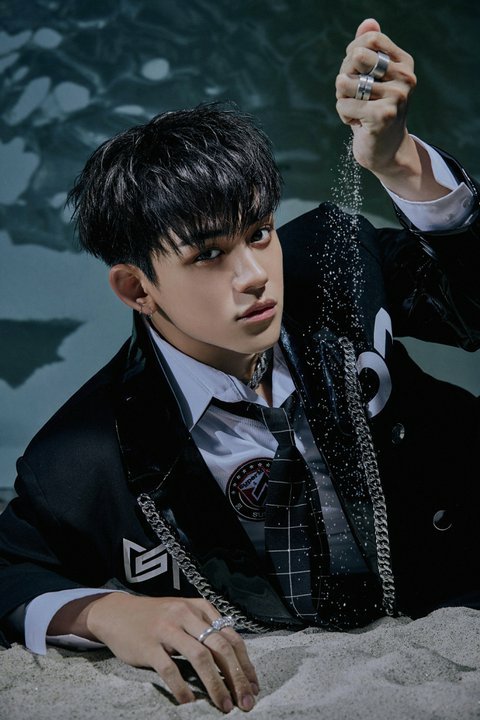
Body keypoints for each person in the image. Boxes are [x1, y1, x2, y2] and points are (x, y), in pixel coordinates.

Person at [0, 17, 479, 714]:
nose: (254, 274)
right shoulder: (79, 456)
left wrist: (400, 160)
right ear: (136, 287)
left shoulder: (337, 263)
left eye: (258, 232)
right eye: (208, 255)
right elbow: (10, 568)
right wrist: (104, 612)